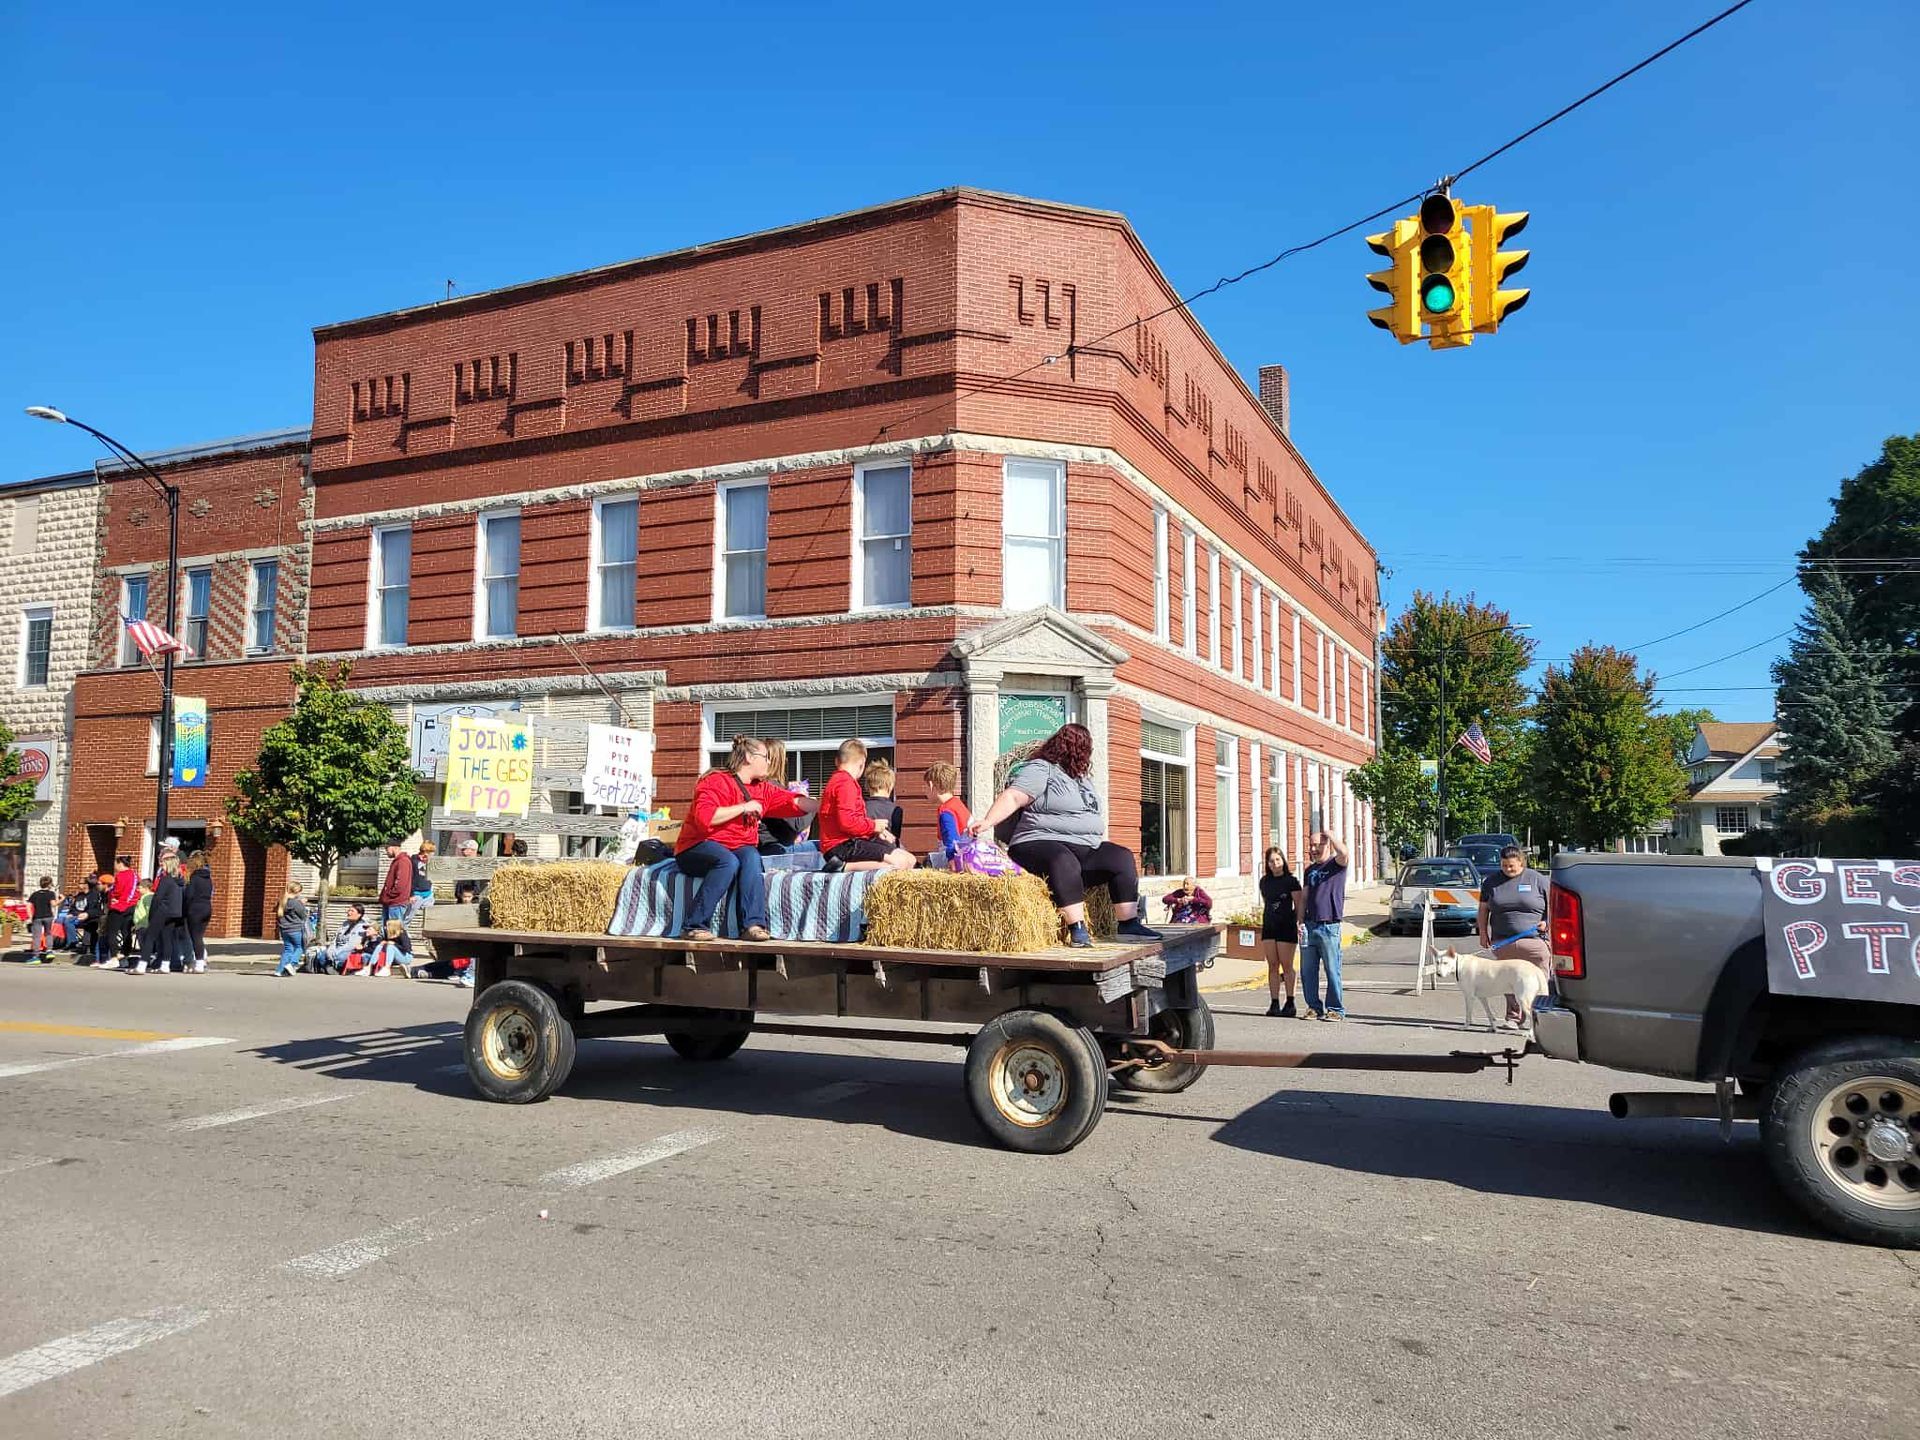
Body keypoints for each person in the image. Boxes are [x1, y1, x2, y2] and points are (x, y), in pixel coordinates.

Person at [971, 723, 1158, 949]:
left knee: (1120, 857)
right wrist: (988, 822)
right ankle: (1077, 928)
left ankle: (1128, 924)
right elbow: (1013, 797)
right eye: (1080, 747)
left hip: (1084, 847)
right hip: (1037, 843)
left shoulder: (1081, 778)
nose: (1084, 753)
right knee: (1063, 859)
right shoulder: (1041, 768)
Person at [672, 735, 812, 943]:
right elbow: (706, 818)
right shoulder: (715, 780)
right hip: (696, 846)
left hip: (735, 848)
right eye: (766, 757)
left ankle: (752, 925)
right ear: (748, 756)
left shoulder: (761, 788)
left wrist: (823, 805)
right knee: (727, 861)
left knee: (751, 856)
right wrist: (744, 807)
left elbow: (792, 802)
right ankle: (693, 925)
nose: (769, 762)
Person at [1478, 844, 1553, 1026]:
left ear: (1521, 862)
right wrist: (1482, 932)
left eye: (1511, 865)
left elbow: (1553, 905)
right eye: (1503, 865)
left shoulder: (1537, 879)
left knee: (1539, 980)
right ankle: (1513, 1016)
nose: (1507, 869)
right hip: (1504, 942)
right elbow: (1483, 909)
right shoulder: (1491, 882)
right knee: (1509, 980)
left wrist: (1547, 922)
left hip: (1534, 941)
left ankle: (1541, 1017)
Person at [817, 740, 915, 874]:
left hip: (843, 844)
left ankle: (842, 865)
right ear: (861, 764)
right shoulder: (845, 784)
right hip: (841, 846)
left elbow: (853, 821)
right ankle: (841, 866)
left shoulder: (837, 781)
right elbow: (847, 823)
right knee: (900, 862)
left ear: (837, 761)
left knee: (910, 859)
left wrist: (877, 830)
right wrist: (874, 825)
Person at [1298, 829, 1349, 1021]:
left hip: (1329, 926)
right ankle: (1313, 1006)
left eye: (1317, 845)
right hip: (1309, 926)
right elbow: (1304, 897)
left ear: (1327, 845)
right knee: (1308, 970)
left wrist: (1330, 834)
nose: (1312, 849)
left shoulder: (1336, 865)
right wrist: (1300, 921)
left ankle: (1335, 1008)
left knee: (1332, 969)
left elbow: (1344, 853)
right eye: (1310, 845)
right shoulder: (1309, 871)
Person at [1257, 848, 1302, 1018]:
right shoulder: (1264, 882)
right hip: (1269, 926)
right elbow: (1267, 902)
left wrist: (1298, 922)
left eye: (1278, 860)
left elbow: (1298, 905)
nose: (1275, 864)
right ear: (1267, 863)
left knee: (1287, 965)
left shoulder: (1291, 881)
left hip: (1286, 926)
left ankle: (1290, 1002)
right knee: (1272, 965)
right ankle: (1274, 1002)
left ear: (1283, 860)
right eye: (1271, 861)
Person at [755, 738, 811, 854]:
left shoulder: (758, 785)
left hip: (761, 846)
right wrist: (810, 804)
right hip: (774, 849)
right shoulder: (773, 787)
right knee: (824, 847)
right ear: (778, 761)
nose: (786, 760)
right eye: (784, 757)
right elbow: (797, 825)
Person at [137, 854, 185, 976]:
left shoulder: (166, 879)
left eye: (163, 864)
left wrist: (151, 913)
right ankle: (165, 965)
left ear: (168, 865)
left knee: (150, 937)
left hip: (162, 911)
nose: (161, 866)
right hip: (175, 912)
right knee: (167, 938)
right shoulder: (180, 880)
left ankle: (142, 965)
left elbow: (157, 898)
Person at [96, 856, 139, 970]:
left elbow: (120, 891)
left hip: (120, 907)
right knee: (126, 931)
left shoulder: (121, 876)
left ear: (120, 864)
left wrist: (118, 901)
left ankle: (114, 957)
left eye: (115, 864)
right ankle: (124, 953)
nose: (114, 867)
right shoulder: (134, 875)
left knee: (112, 933)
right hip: (129, 906)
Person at [923, 763, 971, 857]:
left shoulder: (946, 811)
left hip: (957, 858)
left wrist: (951, 860)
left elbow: (951, 840)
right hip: (967, 854)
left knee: (928, 861)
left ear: (932, 785)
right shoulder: (958, 804)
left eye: (925, 787)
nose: (925, 791)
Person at [309, 903, 371, 974]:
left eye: (352, 911)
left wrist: (335, 953)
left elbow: (351, 945)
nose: (349, 913)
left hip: (349, 950)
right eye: (348, 910)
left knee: (341, 957)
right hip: (336, 948)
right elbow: (335, 939)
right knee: (322, 955)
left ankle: (335, 968)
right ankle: (328, 967)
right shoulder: (345, 923)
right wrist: (331, 949)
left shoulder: (362, 927)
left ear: (359, 914)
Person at [183, 851, 213, 974]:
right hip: (207, 907)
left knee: (195, 937)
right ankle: (202, 958)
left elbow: (189, 895)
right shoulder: (208, 878)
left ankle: (199, 963)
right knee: (199, 936)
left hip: (195, 909)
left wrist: (185, 909)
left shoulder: (194, 878)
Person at [862, 759, 906, 843]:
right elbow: (895, 837)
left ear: (867, 786)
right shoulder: (896, 810)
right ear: (890, 786)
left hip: (862, 851)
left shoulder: (860, 807)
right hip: (889, 851)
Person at [275, 883, 309, 978]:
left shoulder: (282, 901)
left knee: (288, 949)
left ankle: (280, 970)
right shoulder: (295, 903)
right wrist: (302, 904)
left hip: (284, 929)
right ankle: (292, 963)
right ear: (297, 891)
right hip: (295, 929)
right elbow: (303, 915)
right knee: (300, 947)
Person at [378, 840, 414, 926]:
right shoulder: (397, 861)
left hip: (396, 903)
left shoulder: (403, 861)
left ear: (393, 847)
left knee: (394, 931)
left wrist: (390, 894)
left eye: (387, 848)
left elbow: (401, 884)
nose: (386, 851)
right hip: (391, 902)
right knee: (386, 930)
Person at [25, 876, 57, 962]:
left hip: (37, 917)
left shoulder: (35, 894)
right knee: (48, 934)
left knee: (37, 936)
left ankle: (36, 956)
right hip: (48, 916)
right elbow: (53, 904)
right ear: (50, 884)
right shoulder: (51, 894)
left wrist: (30, 916)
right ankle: (49, 951)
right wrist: (61, 899)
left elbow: (28, 905)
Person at [409, 840, 436, 922]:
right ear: (426, 852)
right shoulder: (414, 861)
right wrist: (411, 894)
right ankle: (403, 931)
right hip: (417, 893)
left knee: (429, 917)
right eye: (431, 852)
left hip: (428, 893)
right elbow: (411, 878)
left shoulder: (430, 861)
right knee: (409, 916)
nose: (433, 854)